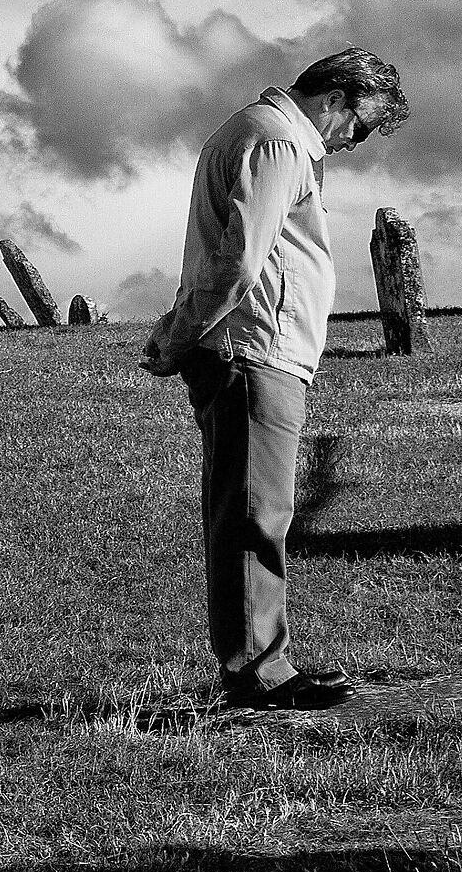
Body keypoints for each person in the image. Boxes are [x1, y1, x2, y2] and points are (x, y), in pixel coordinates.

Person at [141, 48, 409, 710]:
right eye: (364, 126)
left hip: (251, 346)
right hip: (255, 349)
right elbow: (238, 260)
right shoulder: (281, 141)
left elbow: (228, 248)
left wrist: (180, 324)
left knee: (252, 508)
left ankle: (259, 660)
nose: (355, 144)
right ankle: (260, 669)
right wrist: (181, 336)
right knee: (257, 513)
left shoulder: (258, 131)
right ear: (340, 99)